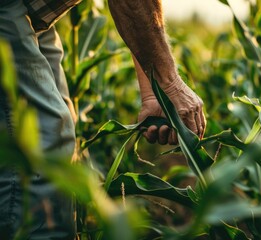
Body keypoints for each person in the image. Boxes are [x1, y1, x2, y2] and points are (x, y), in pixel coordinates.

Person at [0, 0, 206, 239]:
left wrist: (153, 91)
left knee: (56, 146)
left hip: (33, 14)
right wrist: (170, 83)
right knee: (43, 145)